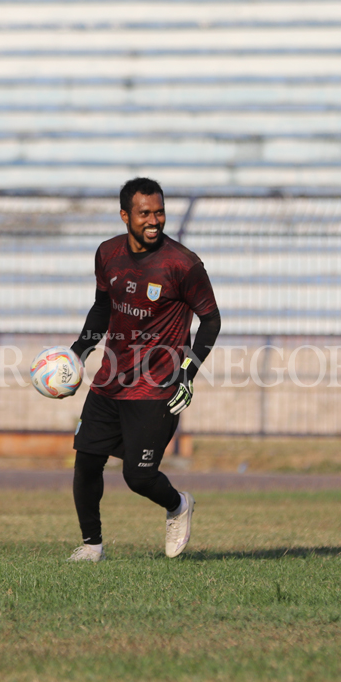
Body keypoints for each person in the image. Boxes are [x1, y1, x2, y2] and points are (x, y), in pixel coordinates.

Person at [64, 177, 221, 561]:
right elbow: (103, 307)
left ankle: (178, 504)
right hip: (110, 381)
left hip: (156, 387)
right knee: (86, 461)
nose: (154, 220)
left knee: (138, 477)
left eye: (159, 212)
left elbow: (211, 321)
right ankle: (92, 547)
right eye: (144, 213)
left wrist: (187, 372)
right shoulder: (108, 254)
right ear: (125, 215)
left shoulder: (183, 264)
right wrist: (79, 351)